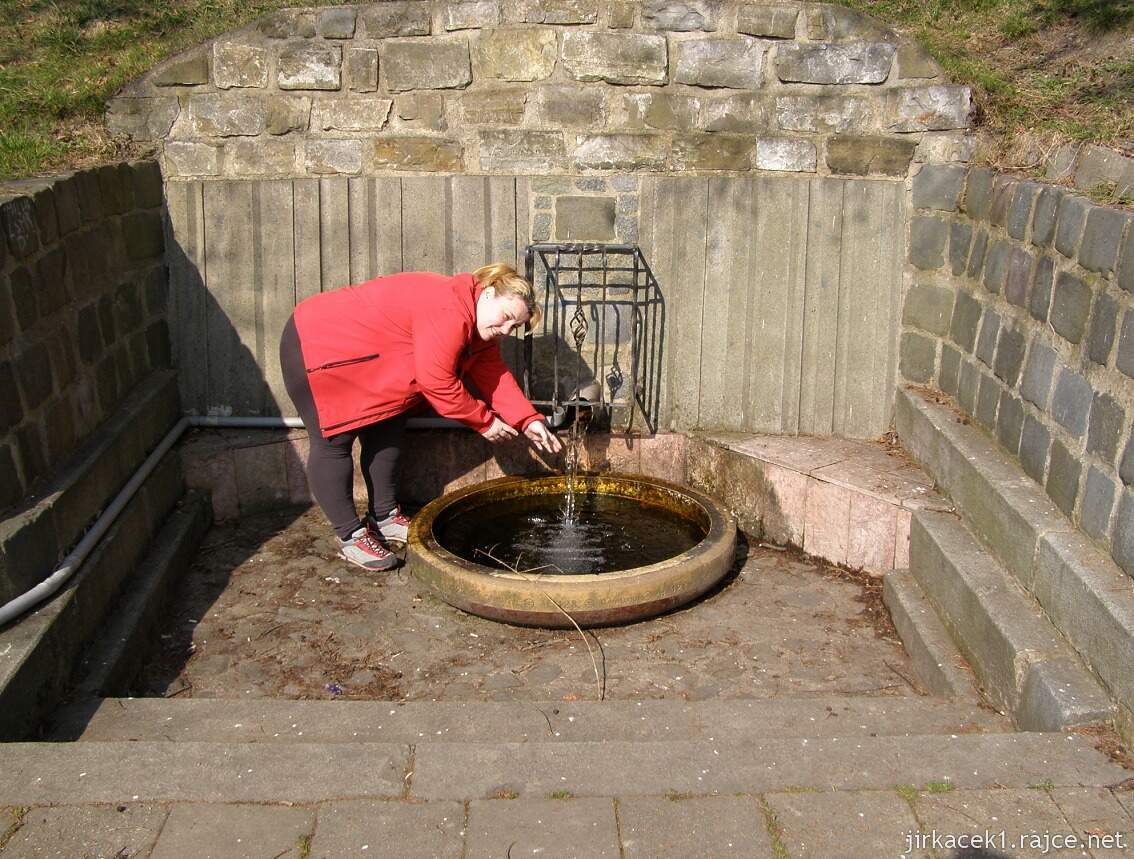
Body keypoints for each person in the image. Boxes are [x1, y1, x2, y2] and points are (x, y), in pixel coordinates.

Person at [279, 263, 563, 571]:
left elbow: (493, 375)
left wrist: (527, 420)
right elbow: (437, 382)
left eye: (514, 327)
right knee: (334, 441)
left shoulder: (478, 327)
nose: (506, 331)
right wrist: (485, 421)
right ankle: (349, 534)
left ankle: (384, 517)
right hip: (320, 345)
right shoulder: (449, 306)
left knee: (388, 431)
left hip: (374, 363)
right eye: (507, 317)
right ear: (488, 293)